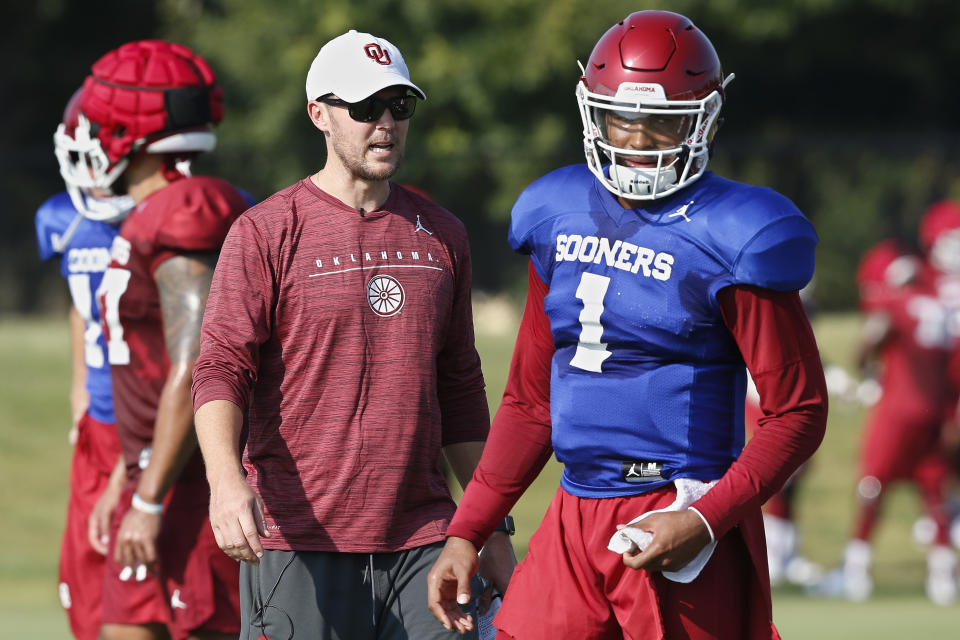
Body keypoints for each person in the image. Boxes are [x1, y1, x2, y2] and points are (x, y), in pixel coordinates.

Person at [427, 10, 828, 639]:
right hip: (575, 509)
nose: (637, 143)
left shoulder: (733, 232)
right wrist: (469, 530)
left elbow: (797, 410)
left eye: (660, 124)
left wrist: (703, 520)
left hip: (678, 504)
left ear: (706, 117)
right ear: (594, 112)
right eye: (622, 120)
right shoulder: (555, 212)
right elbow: (532, 402)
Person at [190, 29, 515, 640]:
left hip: (424, 540)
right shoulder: (265, 231)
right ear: (319, 114)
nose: (386, 123)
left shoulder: (442, 234)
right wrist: (225, 483)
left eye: (400, 106)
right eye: (366, 109)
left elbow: (461, 391)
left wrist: (490, 526)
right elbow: (220, 369)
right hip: (296, 542)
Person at [70, 39, 251, 639]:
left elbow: (195, 360)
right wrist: (131, 482)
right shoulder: (150, 213)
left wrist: (147, 501)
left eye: (97, 124)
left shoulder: (189, 209)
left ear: (130, 133)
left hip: (197, 489)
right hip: (156, 474)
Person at [34, 87, 132, 640]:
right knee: (87, 581)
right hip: (98, 419)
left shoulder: (168, 218)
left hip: (154, 417)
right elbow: (82, 307)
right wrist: (77, 388)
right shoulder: (61, 219)